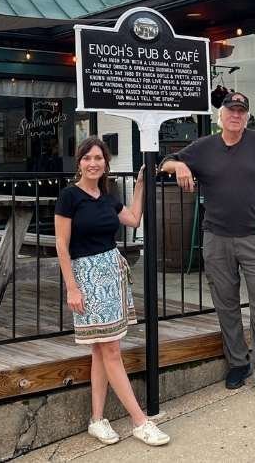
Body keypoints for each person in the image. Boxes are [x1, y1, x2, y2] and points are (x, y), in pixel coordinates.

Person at [161, 91, 255, 394]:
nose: (236, 115)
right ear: (221, 115)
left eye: (242, 111)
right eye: (231, 110)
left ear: (247, 117)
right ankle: (238, 364)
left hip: (253, 237)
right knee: (226, 304)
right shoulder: (204, 147)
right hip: (216, 238)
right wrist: (180, 166)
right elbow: (164, 162)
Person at [54, 137, 170, 447]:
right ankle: (140, 421)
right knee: (111, 350)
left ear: (106, 163)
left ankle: (96, 419)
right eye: (88, 157)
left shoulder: (107, 196)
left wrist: (141, 184)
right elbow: (61, 246)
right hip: (87, 278)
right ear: (79, 162)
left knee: (100, 349)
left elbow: (132, 219)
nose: (94, 163)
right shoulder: (69, 197)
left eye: (99, 158)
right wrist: (72, 288)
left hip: (112, 275)